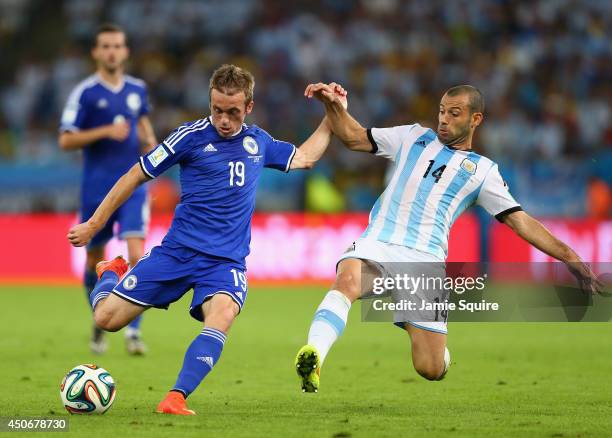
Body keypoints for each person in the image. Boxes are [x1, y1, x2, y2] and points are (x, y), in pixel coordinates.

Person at [67, 65, 346, 415]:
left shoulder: (258, 141)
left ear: (249, 107)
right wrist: (95, 224)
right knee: (106, 320)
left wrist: (331, 113)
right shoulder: (190, 137)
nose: (224, 120)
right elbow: (136, 174)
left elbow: (305, 157)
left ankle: (175, 398)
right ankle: (111, 272)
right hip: (177, 253)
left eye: (232, 112)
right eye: (217, 110)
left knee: (224, 313)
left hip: (224, 263)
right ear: (210, 102)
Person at [295, 83, 602, 392]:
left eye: (454, 114)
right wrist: (333, 105)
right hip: (378, 243)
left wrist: (570, 257)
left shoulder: (483, 172)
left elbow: (520, 222)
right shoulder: (413, 136)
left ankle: (440, 353)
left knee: (430, 367)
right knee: (346, 281)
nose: (443, 119)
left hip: (424, 262)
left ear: (475, 119)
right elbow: (353, 136)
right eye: (442, 111)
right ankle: (314, 355)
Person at [59, 23, 157, 355]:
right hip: (97, 190)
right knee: (95, 262)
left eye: (117, 45)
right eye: (106, 46)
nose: (112, 51)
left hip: (133, 185)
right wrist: (104, 131)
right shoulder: (85, 92)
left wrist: (150, 141)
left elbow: (142, 122)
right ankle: (99, 320)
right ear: (96, 52)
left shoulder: (137, 89)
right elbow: (65, 138)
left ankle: (133, 331)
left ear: (125, 51)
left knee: (135, 254)